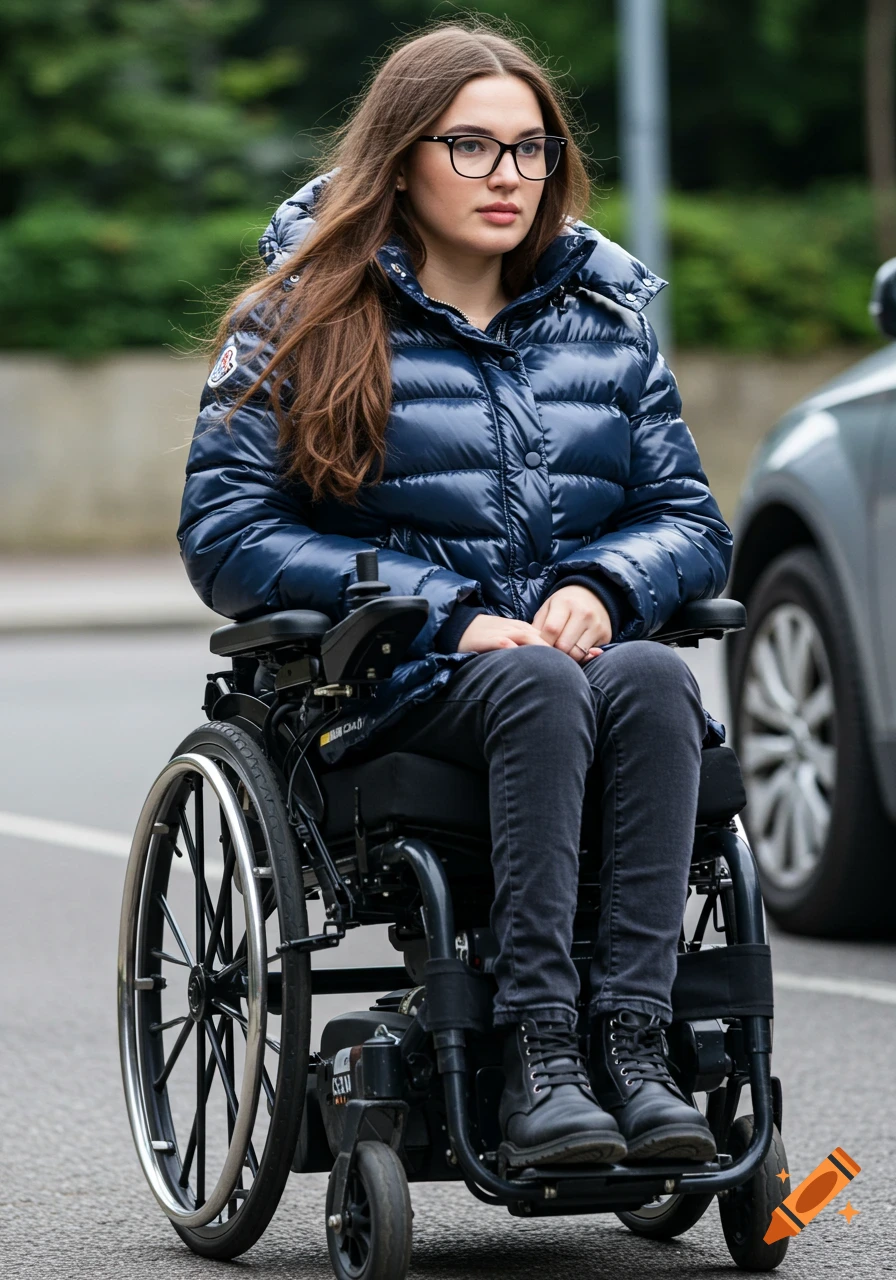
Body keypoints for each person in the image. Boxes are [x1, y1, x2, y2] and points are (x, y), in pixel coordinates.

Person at [178, 19, 733, 1170]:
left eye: (530, 150)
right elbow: (226, 534)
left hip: (575, 676)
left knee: (648, 674)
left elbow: (688, 521)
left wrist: (604, 582)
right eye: (471, 147)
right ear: (399, 160)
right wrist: (440, 605)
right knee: (535, 682)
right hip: (390, 685)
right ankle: (537, 1047)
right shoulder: (296, 323)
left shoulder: (604, 326)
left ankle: (633, 1045)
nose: (508, 177)